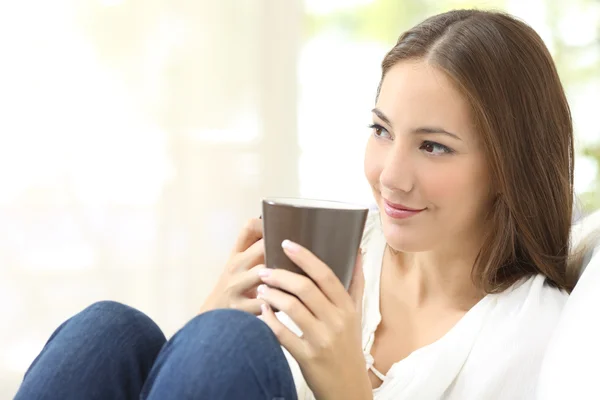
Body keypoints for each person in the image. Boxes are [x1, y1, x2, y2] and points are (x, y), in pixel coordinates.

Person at [15, 9, 584, 400]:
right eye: (382, 130)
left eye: (433, 146)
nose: (391, 176)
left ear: (509, 166)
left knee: (225, 344)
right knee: (110, 330)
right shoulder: (339, 255)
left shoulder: (535, 334)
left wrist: (346, 390)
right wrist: (206, 322)